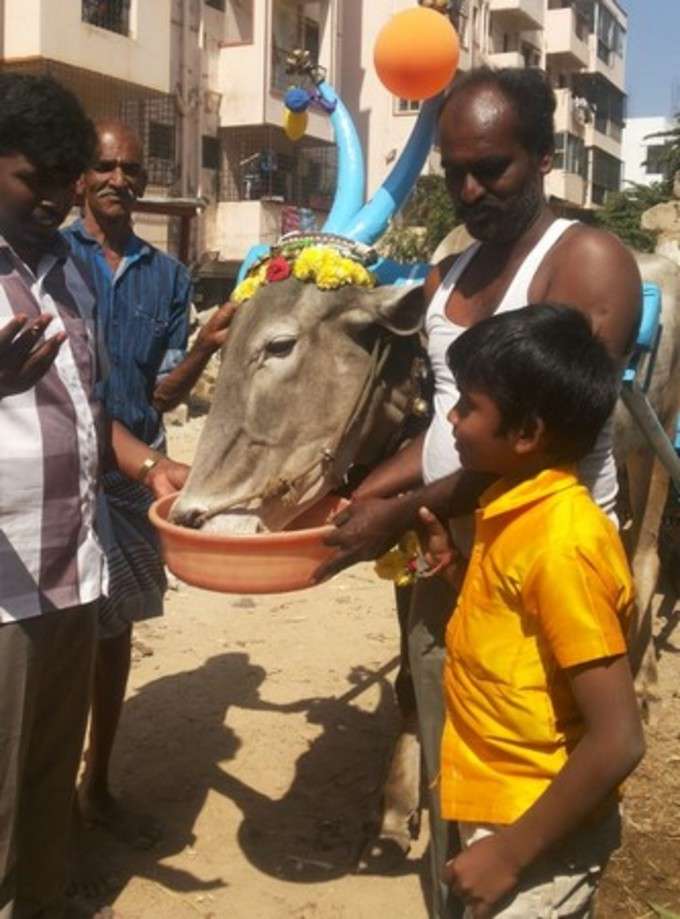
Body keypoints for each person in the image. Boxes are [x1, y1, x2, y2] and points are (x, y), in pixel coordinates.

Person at [317, 67, 642, 917]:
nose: (468, 188)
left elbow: (543, 443)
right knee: (453, 763)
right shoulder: (449, 269)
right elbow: (445, 428)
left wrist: (404, 507)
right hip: (451, 565)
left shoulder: (588, 260)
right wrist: (351, 488)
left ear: (542, 156)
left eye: (490, 168)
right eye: (453, 170)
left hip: (541, 580)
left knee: (531, 778)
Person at [0, 73, 187, 919]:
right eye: (31, 177)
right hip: (2, 594)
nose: (50, 197)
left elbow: (94, 408)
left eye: (59, 178)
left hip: (72, 568)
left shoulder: (68, 273)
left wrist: (153, 466)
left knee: (45, 772)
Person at [418, 303, 644, 918]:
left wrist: (511, 853)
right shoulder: (514, 512)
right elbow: (522, 643)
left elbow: (619, 738)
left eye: (468, 406)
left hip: (537, 825)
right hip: (504, 806)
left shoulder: (563, 543)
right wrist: (456, 572)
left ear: (526, 434)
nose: (452, 418)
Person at [62, 120, 235, 838]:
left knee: (114, 632)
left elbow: (164, 393)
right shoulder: (44, 254)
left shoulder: (165, 276)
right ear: (79, 176)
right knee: (51, 630)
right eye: (104, 166)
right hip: (59, 469)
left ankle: (95, 780)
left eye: (130, 169)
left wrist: (203, 346)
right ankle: (39, 783)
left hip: (135, 482)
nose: (118, 181)